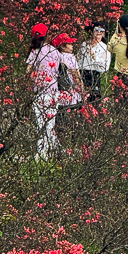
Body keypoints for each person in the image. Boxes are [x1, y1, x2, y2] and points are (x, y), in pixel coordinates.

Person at [26, 25, 83, 159]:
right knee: (50, 125)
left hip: (39, 92)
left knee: (41, 124)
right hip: (53, 93)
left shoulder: (34, 52)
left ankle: (43, 153)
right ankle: (54, 151)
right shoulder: (55, 52)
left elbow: (28, 72)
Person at [77, 23, 110, 102]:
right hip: (82, 75)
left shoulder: (105, 48)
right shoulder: (84, 44)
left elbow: (105, 66)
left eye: (101, 31)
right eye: (96, 30)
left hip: (94, 76)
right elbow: (78, 60)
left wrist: (95, 57)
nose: (98, 33)